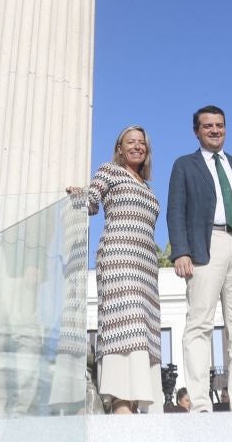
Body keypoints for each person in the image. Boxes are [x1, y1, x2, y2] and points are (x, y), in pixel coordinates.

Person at [167, 105, 232, 413]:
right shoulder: (185, 165)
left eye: (220, 125)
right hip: (205, 243)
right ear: (196, 130)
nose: (215, 130)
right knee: (199, 323)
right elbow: (176, 210)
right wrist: (181, 251)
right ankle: (199, 403)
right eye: (208, 126)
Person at [67, 126, 163, 414]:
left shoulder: (148, 186)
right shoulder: (109, 170)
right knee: (126, 325)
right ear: (119, 148)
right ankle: (121, 403)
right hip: (118, 259)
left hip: (147, 266)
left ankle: (136, 403)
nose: (137, 147)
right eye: (130, 142)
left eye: (142, 143)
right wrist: (78, 194)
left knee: (143, 329)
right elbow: (92, 201)